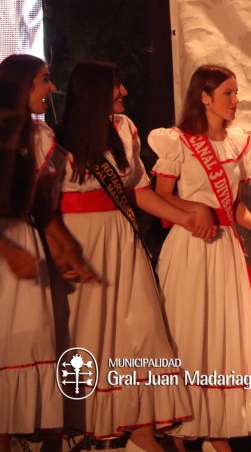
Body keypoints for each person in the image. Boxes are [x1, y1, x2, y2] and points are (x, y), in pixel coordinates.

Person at [54, 58, 203, 452]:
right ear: (96, 92)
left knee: (141, 331)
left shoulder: (123, 130)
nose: (123, 93)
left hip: (122, 242)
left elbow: (141, 192)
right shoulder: (57, 141)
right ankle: (85, 428)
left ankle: (141, 431)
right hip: (80, 243)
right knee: (87, 333)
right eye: (117, 86)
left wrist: (186, 217)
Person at [148, 65, 251, 450]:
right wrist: (193, 210)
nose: (236, 101)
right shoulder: (178, 141)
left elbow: (231, 205)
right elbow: (160, 194)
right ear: (204, 96)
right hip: (191, 246)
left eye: (236, 93)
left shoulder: (236, 143)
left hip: (225, 249)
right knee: (188, 331)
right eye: (228, 94)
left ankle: (217, 431)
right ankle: (182, 432)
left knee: (220, 336)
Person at [0, 54, 95, 452]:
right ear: (21, 84)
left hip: (24, 245)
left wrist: (65, 247)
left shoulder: (36, 137)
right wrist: (9, 252)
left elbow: (40, 206)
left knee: (26, 343)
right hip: (7, 249)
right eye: (44, 80)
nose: (50, 88)